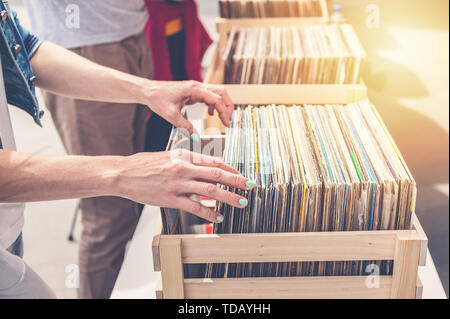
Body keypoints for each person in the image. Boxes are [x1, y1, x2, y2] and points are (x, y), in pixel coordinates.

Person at [0, 1, 252, 299]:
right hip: (87, 42)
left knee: (122, 217)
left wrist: (147, 89)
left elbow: (26, 48)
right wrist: (123, 173)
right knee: (110, 216)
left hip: (8, 233)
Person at [22, 0, 190, 299]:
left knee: (131, 206)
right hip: (82, 47)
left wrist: (147, 89)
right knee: (109, 213)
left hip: (131, 33)